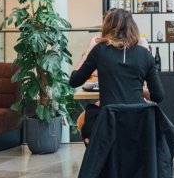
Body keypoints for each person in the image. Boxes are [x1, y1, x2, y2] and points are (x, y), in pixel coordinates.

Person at [70, 8, 163, 142]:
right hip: (138, 122)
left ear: (107, 27)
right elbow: (158, 96)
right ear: (133, 28)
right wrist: (135, 88)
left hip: (108, 122)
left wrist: (89, 50)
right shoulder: (145, 54)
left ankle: (97, 152)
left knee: (82, 121)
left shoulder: (100, 50)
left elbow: (74, 81)